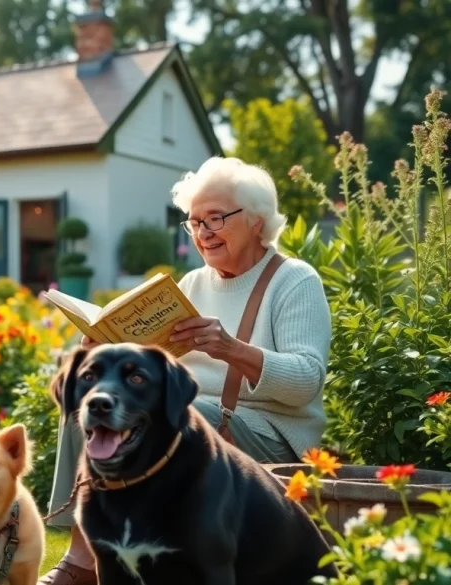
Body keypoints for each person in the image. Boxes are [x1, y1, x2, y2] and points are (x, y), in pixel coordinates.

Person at [39, 156, 332, 585]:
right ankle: (86, 554)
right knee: (92, 407)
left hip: (269, 432)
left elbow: (306, 382)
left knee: (187, 420)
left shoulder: (294, 280)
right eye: (194, 222)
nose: (203, 233)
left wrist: (231, 349)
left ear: (256, 221)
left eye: (216, 218)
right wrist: (105, 349)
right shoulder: (194, 284)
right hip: (199, 424)